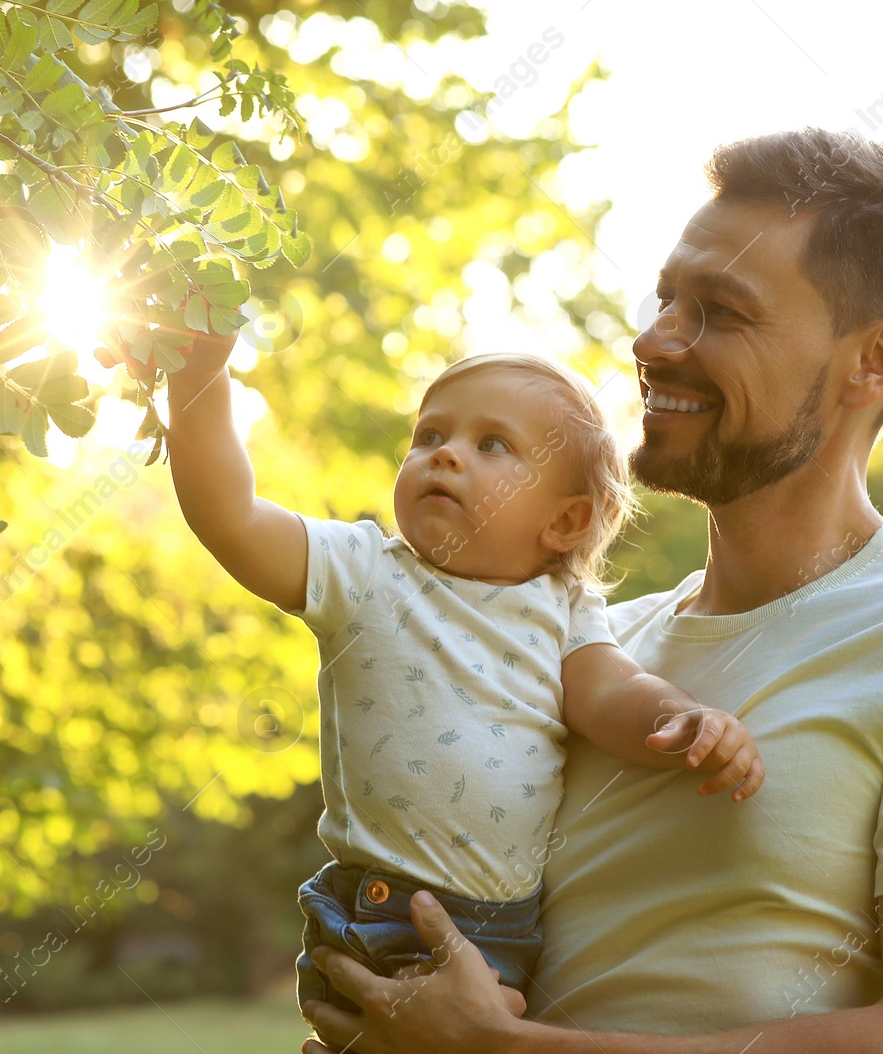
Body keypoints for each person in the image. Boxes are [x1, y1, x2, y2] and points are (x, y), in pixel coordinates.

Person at [297, 127, 883, 1053]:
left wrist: (502, 1051)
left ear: (874, 360)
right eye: (667, 297)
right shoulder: (585, 651)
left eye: (719, 310)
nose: (653, 340)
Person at [166, 343, 766, 1049]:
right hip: (385, 912)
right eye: (429, 435)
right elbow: (230, 516)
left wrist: (681, 720)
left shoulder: (565, 606)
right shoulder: (365, 571)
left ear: (566, 521)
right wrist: (196, 374)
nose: (445, 454)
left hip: (505, 931)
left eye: (492, 444)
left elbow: (611, 693)